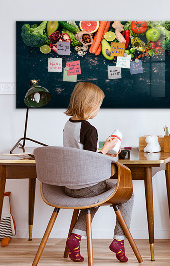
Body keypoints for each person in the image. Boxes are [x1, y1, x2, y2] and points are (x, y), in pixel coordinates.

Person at [63, 82, 133, 263]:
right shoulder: (89, 129)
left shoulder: (68, 125)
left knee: (93, 197)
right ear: (90, 105)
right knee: (128, 194)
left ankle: (75, 238)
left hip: (69, 186)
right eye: (99, 105)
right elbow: (91, 161)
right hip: (86, 186)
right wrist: (108, 148)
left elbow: (80, 154)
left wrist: (102, 149)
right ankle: (119, 240)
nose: (98, 109)